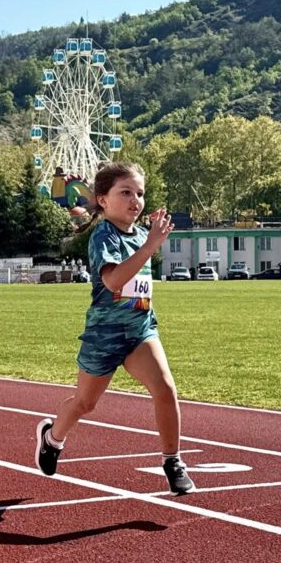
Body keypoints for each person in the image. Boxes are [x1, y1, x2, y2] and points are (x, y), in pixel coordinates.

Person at [35, 162, 195, 496]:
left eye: (140, 193)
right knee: (84, 404)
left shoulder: (140, 234)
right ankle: (52, 438)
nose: (135, 200)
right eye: (126, 192)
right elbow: (113, 280)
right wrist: (150, 245)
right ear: (103, 200)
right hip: (104, 337)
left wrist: (151, 238)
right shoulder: (102, 236)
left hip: (140, 332)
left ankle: (173, 461)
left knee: (165, 389)